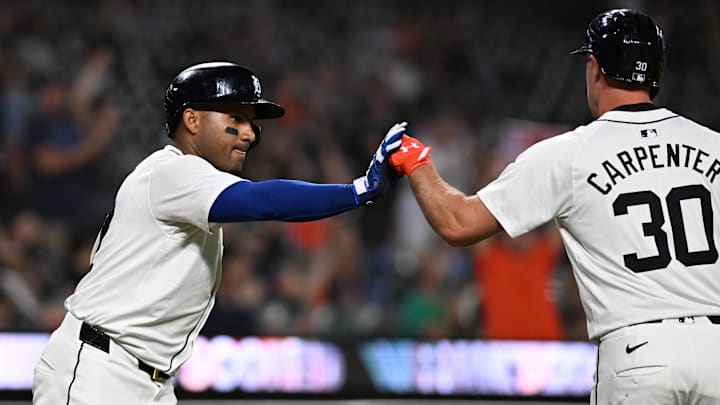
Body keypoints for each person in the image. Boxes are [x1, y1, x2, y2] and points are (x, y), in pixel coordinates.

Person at [390, 9, 720, 404]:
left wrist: (414, 160)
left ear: (595, 67)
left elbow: (457, 222)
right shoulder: (712, 144)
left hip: (639, 354)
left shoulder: (569, 155)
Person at [32, 61, 406, 404]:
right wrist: (356, 190)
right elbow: (263, 200)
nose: (249, 134)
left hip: (144, 379)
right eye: (236, 117)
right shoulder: (172, 172)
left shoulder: (187, 183)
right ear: (192, 120)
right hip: (99, 372)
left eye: (251, 123)